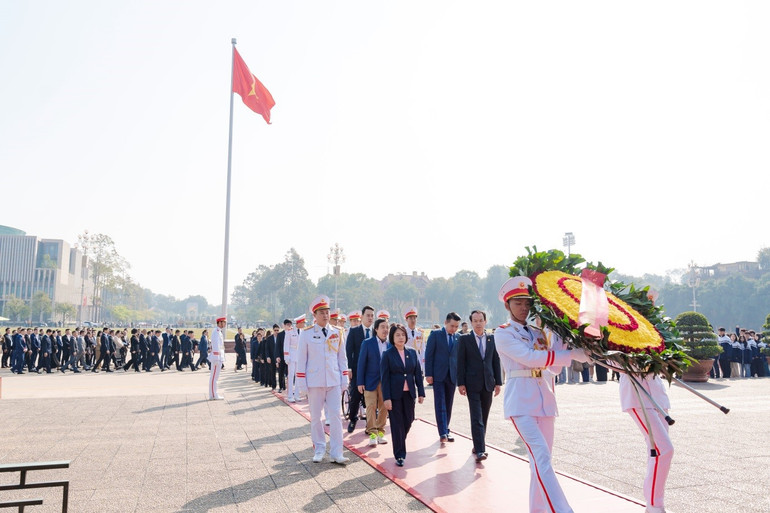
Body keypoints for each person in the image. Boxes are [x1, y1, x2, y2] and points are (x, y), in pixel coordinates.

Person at [494, 276, 589, 513]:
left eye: (527, 303)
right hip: (521, 404)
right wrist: (570, 356)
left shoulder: (537, 332)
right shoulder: (503, 333)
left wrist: (566, 341)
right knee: (541, 457)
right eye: (518, 303)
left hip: (545, 402)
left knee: (540, 462)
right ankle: (562, 510)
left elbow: (553, 368)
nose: (524, 308)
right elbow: (530, 358)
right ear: (507, 305)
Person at [296, 295, 349, 464]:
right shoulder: (306, 334)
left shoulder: (338, 332)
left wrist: (344, 379)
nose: (326, 315)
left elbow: (342, 358)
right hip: (315, 381)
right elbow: (301, 359)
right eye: (322, 312)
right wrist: (302, 384)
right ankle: (319, 449)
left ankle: (337, 452)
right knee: (316, 418)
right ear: (315, 315)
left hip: (333, 380)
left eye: (327, 312)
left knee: (335, 417)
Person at [619, 371, 673, 513]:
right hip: (637, 394)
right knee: (664, 449)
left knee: (657, 452)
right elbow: (613, 361)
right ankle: (655, 505)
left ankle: (653, 503)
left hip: (657, 394)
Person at [456, 310, 502, 462]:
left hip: (488, 383)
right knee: (476, 417)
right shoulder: (464, 339)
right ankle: (481, 450)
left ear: (485, 321)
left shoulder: (492, 339)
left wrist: (498, 382)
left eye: (480, 320)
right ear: (471, 322)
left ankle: (478, 444)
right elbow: (460, 362)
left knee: (484, 416)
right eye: (475, 320)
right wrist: (461, 383)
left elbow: (495, 361)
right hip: (472, 383)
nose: (478, 323)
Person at [381, 324, 425, 467]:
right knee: (396, 424)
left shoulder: (412, 352)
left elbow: (417, 373)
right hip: (394, 395)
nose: (401, 338)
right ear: (392, 338)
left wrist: (421, 392)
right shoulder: (387, 354)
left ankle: (400, 440)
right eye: (397, 335)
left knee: (409, 420)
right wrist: (386, 398)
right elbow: (385, 378)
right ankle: (400, 454)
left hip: (409, 394)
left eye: (403, 335)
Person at [425, 311, 461, 443]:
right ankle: (442, 433)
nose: (454, 329)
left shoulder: (458, 337)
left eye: (456, 326)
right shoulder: (435, 335)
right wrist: (428, 373)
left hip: (452, 376)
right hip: (438, 375)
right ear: (445, 322)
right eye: (452, 326)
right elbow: (429, 355)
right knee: (440, 404)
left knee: (449, 403)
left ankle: (446, 428)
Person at [357, 317, 390, 446]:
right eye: (382, 327)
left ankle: (381, 432)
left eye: (387, 327)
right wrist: (360, 382)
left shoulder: (390, 344)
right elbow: (361, 363)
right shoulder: (367, 343)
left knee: (383, 407)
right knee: (370, 407)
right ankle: (372, 433)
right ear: (376, 329)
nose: (385, 330)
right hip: (369, 381)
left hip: (385, 382)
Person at [345, 305, 375, 432]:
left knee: (372, 399)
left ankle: (371, 425)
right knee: (355, 397)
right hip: (357, 370)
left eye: (372, 316)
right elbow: (348, 350)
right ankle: (353, 419)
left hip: (373, 371)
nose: (370, 318)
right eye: (367, 315)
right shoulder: (354, 331)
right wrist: (350, 369)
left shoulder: (376, 331)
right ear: (362, 316)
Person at [209, 317, 227, 400]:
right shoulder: (216, 332)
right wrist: (217, 358)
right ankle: (213, 394)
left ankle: (213, 394)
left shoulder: (218, 332)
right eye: (224, 322)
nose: (225, 324)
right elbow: (215, 345)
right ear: (219, 322)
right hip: (216, 357)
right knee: (214, 377)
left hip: (219, 357)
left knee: (215, 377)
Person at [403, 306, 425, 374]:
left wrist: (423, 364)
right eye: (411, 318)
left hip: (418, 360)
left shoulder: (420, 333)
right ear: (406, 319)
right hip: (406, 360)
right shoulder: (403, 332)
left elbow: (423, 349)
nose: (413, 320)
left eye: (414, 318)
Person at [275, 321, 288, 392]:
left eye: (290, 325)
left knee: (289, 373)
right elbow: (277, 347)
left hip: (289, 357)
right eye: (287, 325)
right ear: (284, 325)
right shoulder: (280, 335)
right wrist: (277, 356)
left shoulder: (292, 334)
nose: (289, 326)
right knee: (281, 372)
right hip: (282, 357)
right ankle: (281, 386)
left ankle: (288, 387)